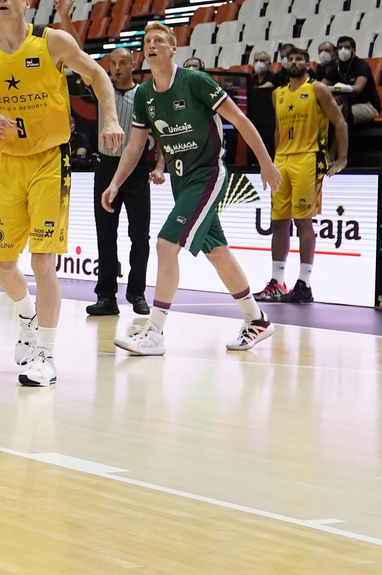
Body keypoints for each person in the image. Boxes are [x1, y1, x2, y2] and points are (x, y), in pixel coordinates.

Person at [0, 0, 123, 387]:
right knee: (0, 262)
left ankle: (46, 357)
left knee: (42, 261)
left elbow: (98, 76)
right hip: (8, 165)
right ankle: (27, 318)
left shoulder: (52, 41)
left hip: (51, 159)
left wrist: (108, 117)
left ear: (26, 3)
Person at [106, 23, 280, 357]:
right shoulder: (144, 94)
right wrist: (115, 182)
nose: (152, 45)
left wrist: (266, 163)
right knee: (217, 252)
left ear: (173, 49)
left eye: (160, 41)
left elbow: (241, 121)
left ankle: (154, 331)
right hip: (180, 180)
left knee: (165, 244)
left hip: (208, 174)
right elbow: (134, 147)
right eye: (147, 42)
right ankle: (256, 319)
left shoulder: (196, 82)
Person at [257, 48, 347, 304]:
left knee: (303, 221)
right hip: (283, 160)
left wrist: (341, 158)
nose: (294, 62)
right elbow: (276, 130)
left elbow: (340, 122)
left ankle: (304, 283)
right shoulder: (277, 94)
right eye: (291, 59)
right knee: (279, 222)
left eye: (300, 59)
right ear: (285, 64)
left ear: (309, 64)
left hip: (309, 157)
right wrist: (273, 161)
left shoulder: (318, 89)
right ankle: (277, 282)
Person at [86, 48, 160, 318]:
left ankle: (137, 293)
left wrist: (160, 164)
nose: (116, 68)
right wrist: (64, 18)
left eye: (122, 63)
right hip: (105, 166)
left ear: (134, 64)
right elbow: (80, 55)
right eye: (112, 63)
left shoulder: (144, 94)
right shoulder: (101, 89)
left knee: (140, 235)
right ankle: (106, 297)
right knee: (106, 235)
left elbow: (160, 132)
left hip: (136, 170)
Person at [320, 35, 380, 125]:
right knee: (323, 112)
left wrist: (340, 94)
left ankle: (343, 139)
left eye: (347, 47)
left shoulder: (361, 65)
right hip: (347, 105)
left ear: (354, 50)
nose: (343, 50)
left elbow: (357, 88)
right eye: (340, 48)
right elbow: (321, 86)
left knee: (340, 114)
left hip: (368, 106)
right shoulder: (337, 68)